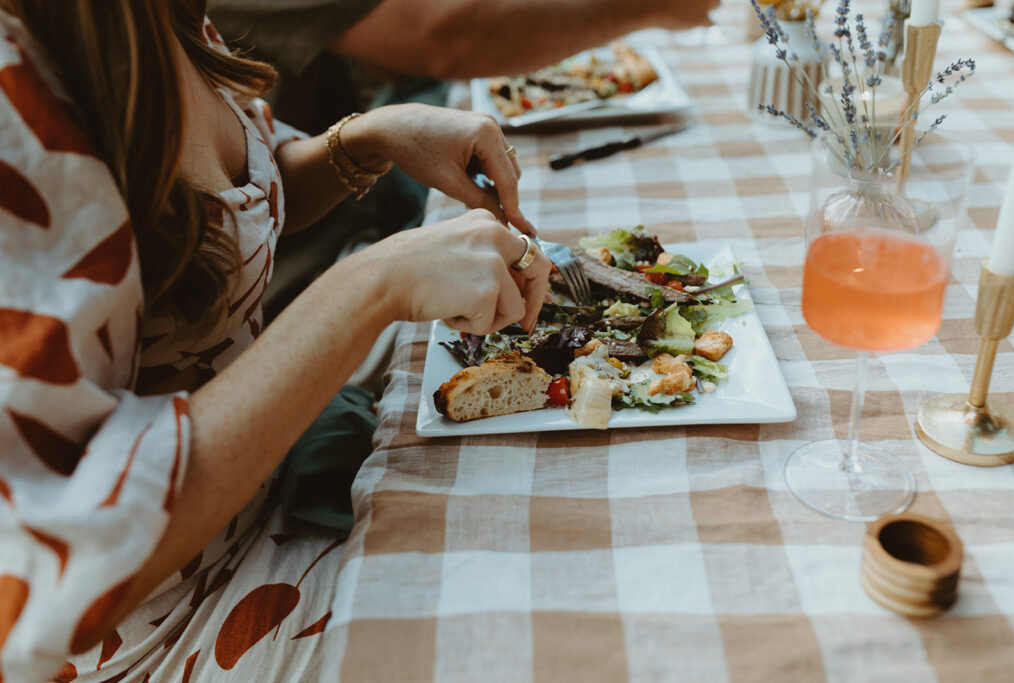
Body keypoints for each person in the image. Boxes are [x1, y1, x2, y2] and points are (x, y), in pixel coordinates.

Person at [0, 1, 549, 681]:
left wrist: (369, 139)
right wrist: (373, 285)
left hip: (273, 500)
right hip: (172, 630)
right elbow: (49, 559)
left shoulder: (147, 17)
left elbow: (216, 222)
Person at [207, 0, 721, 320]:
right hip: (298, 308)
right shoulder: (130, 50)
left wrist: (372, 134)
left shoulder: (182, 26)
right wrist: (379, 279)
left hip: (337, 252)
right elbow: (444, 35)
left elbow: (258, 187)